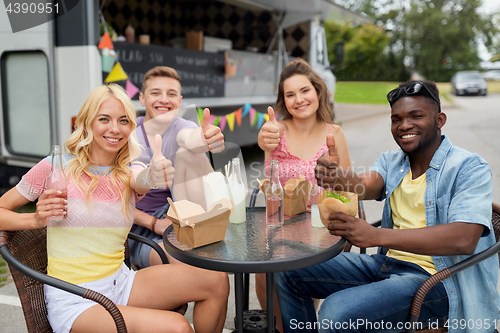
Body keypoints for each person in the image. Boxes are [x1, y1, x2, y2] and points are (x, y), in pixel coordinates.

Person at [0, 84, 229, 333]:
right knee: (178, 327)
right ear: (86, 124)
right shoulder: (55, 168)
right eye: (104, 119)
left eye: (123, 120)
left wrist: (155, 173)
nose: (114, 128)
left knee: (216, 280)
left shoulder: (129, 172)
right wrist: (34, 220)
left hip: (121, 283)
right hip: (76, 298)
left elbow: (144, 179)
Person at [275, 80, 499, 333]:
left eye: (416, 116)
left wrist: (376, 236)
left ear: (440, 120)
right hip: (387, 265)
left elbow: (464, 239)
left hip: (437, 281)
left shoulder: (469, 167)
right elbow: (363, 184)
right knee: (289, 268)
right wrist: (337, 176)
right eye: (396, 119)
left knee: (336, 313)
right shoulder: (393, 161)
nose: (404, 126)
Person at [257, 58, 352, 332]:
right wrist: (264, 140)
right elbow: (269, 179)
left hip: (321, 227)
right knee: (265, 273)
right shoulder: (276, 131)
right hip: (281, 222)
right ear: (283, 101)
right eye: (290, 94)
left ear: (318, 91)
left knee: (299, 274)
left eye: (304, 90)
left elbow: (346, 189)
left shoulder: (335, 133)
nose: (299, 99)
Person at [129, 66, 225, 268]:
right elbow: (111, 199)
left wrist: (206, 138)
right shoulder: (128, 134)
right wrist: (154, 224)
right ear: (143, 99)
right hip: (140, 230)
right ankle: (203, 244)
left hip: (177, 216)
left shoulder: (179, 125)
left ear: (179, 102)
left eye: (171, 94)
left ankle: (205, 229)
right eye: (155, 93)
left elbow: (191, 138)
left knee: (188, 152)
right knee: (193, 266)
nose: (164, 99)